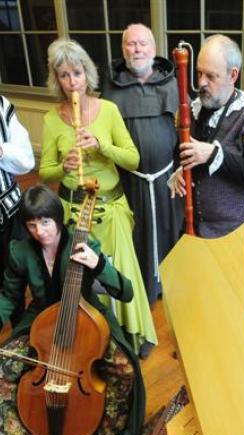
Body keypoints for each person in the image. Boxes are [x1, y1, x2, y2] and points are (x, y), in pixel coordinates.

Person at [0, 185, 145, 435]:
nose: (39, 231)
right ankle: (34, 430)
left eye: (45, 222)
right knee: (4, 368)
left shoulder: (82, 243)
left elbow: (126, 291)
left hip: (87, 323)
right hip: (42, 324)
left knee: (125, 371)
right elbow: (9, 296)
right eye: (31, 224)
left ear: (57, 217)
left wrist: (98, 264)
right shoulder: (20, 251)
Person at [39, 38, 158, 358]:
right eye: (64, 75)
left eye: (76, 73)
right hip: (72, 210)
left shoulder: (108, 110)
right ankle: (93, 341)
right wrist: (64, 165)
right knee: (81, 279)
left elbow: (132, 159)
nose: (71, 82)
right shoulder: (52, 119)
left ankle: (131, 337)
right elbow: (45, 173)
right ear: (56, 79)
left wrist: (101, 147)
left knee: (118, 273)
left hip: (110, 207)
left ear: (87, 73)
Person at [102, 24, 182, 309]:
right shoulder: (111, 88)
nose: (136, 50)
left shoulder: (173, 83)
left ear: (154, 49)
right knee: (136, 236)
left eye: (142, 44)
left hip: (168, 179)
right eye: (130, 45)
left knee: (168, 231)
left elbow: (186, 130)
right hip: (129, 180)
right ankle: (140, 288)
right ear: (123, 50)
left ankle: (170, 286)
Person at [169, 34, 244, 239]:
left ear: (233, 75)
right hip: (193, 226)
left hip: (233, 233)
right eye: (199, 73)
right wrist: (179, 171)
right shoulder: (191, 112)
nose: (201, 82)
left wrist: (215, 155)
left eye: (211, 76)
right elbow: (178, 154)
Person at [0, 95, 35, 285]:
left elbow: (26, 160)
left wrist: (2, 151)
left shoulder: (2, 105)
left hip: (9, 213)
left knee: (14, 282)